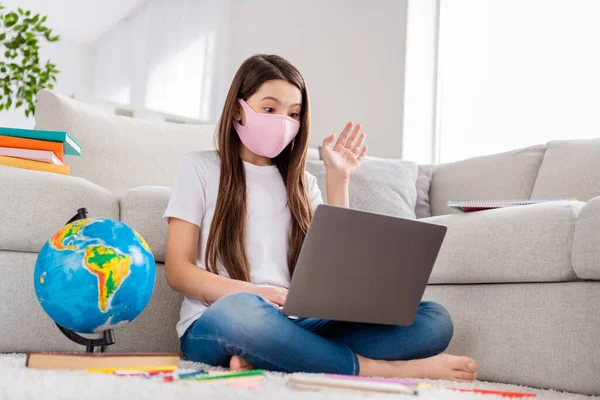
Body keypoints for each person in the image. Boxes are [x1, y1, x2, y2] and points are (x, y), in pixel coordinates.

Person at [164, 54, 477, 381]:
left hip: (296, 321)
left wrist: (338, 181)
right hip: (218, 319)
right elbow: (178, 270)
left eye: (293, 114)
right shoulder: (198, 167)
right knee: (241, 313)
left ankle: (275, 354)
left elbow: (334, 273)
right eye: (269, 109)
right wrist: (251, 293)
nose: (282, 121)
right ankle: (374, 369)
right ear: (238, 109)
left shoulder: (303, 184)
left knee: (433, 321)